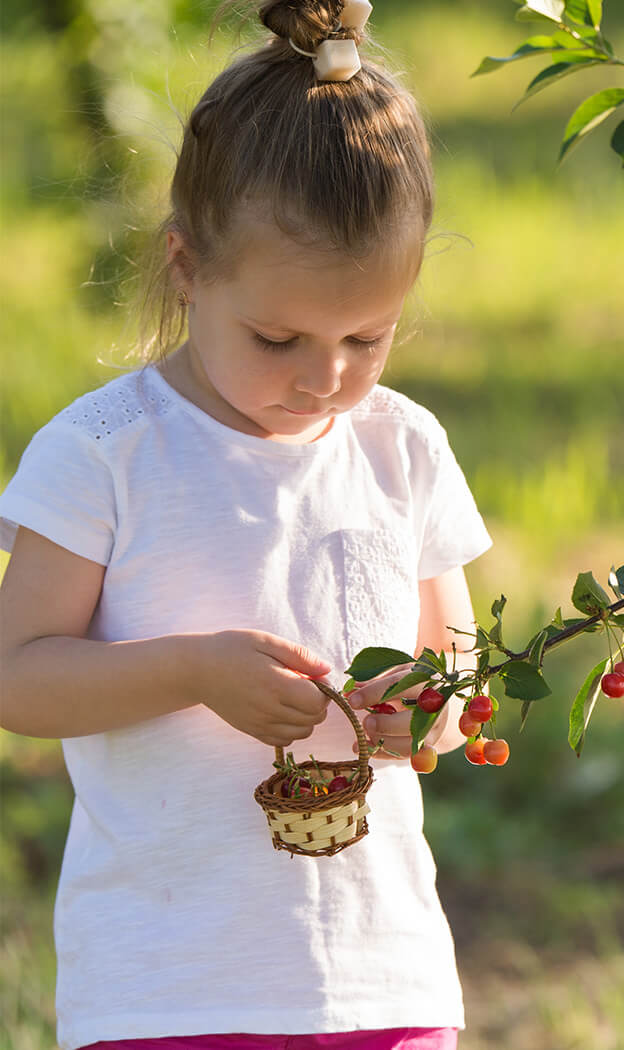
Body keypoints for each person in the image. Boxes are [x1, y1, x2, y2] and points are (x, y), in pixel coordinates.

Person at [0, 3, 491, 1047]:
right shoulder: (107, 453)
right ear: (186, 268)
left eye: (368, 336)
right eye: (278, 338)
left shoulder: (399, 446)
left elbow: (458, 661)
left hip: (381, 977)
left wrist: (431, 707)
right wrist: (189, 670)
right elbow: (18, 676)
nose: (326, 378)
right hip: (168, 985)